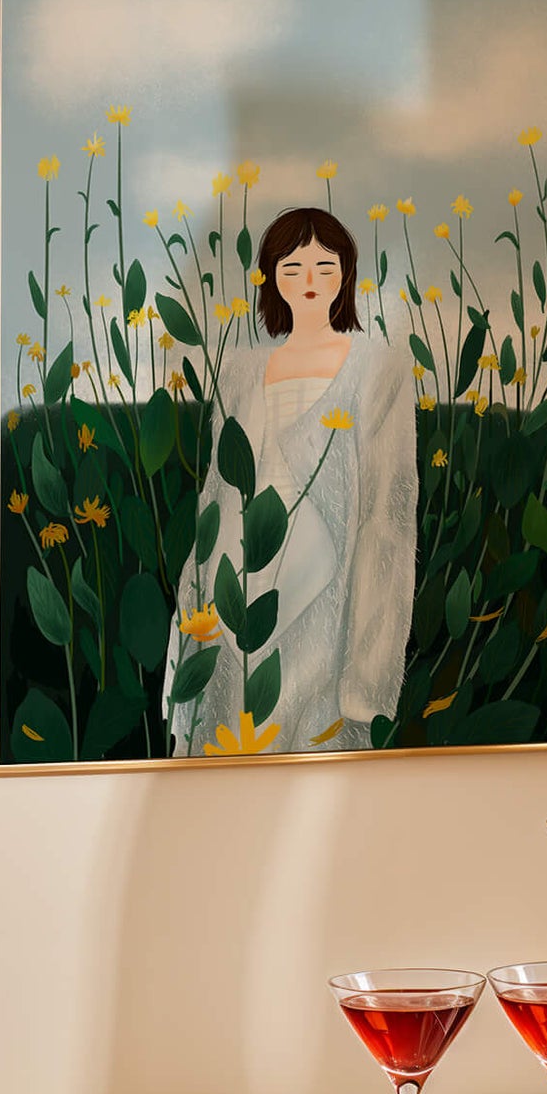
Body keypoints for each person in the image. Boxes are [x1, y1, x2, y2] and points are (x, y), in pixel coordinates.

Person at [167, 206, 416, 755]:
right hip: (236, 587)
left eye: (325, 266)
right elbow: (215, 497)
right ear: (271, 275)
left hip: (326, 597)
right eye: (292, 266)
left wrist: (368, 682)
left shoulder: (378, 367)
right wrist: (192, 618)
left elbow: (389, 520)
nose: (309, 280)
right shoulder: (238, 371)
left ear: (346, 275)